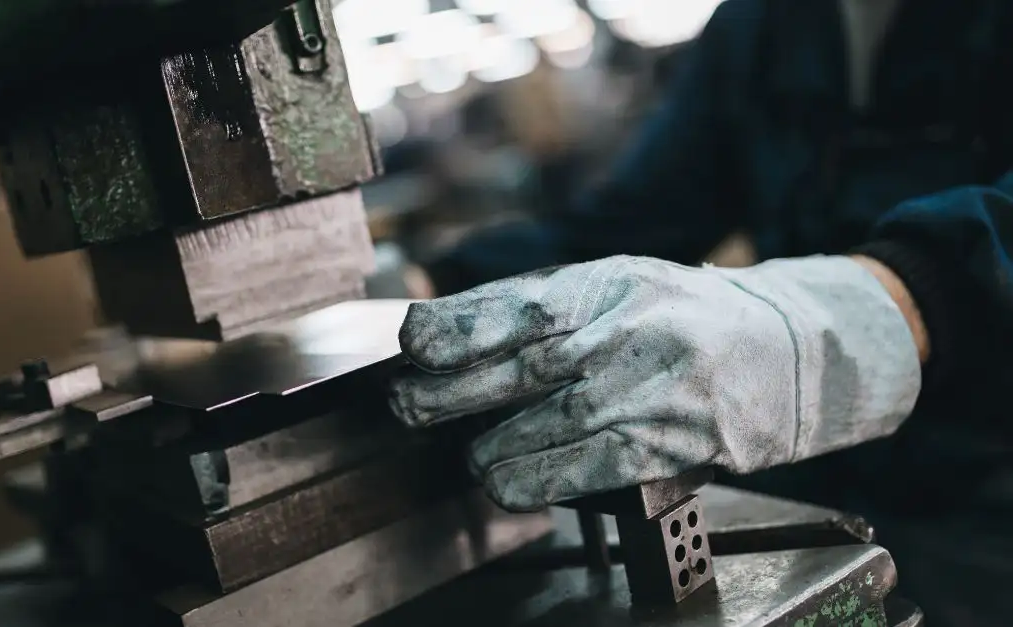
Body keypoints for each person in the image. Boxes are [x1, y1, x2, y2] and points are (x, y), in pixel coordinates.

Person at [393, 170, 1013, 625]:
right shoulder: (761, 29)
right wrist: (423, 283)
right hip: (801, 479)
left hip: (987, 510)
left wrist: (852, 316)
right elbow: (630, 216)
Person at [418, 0, 1013, 296]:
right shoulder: (756, 27)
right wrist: (436, 280)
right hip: (826, 456)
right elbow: (636, 225)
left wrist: (904, 294)